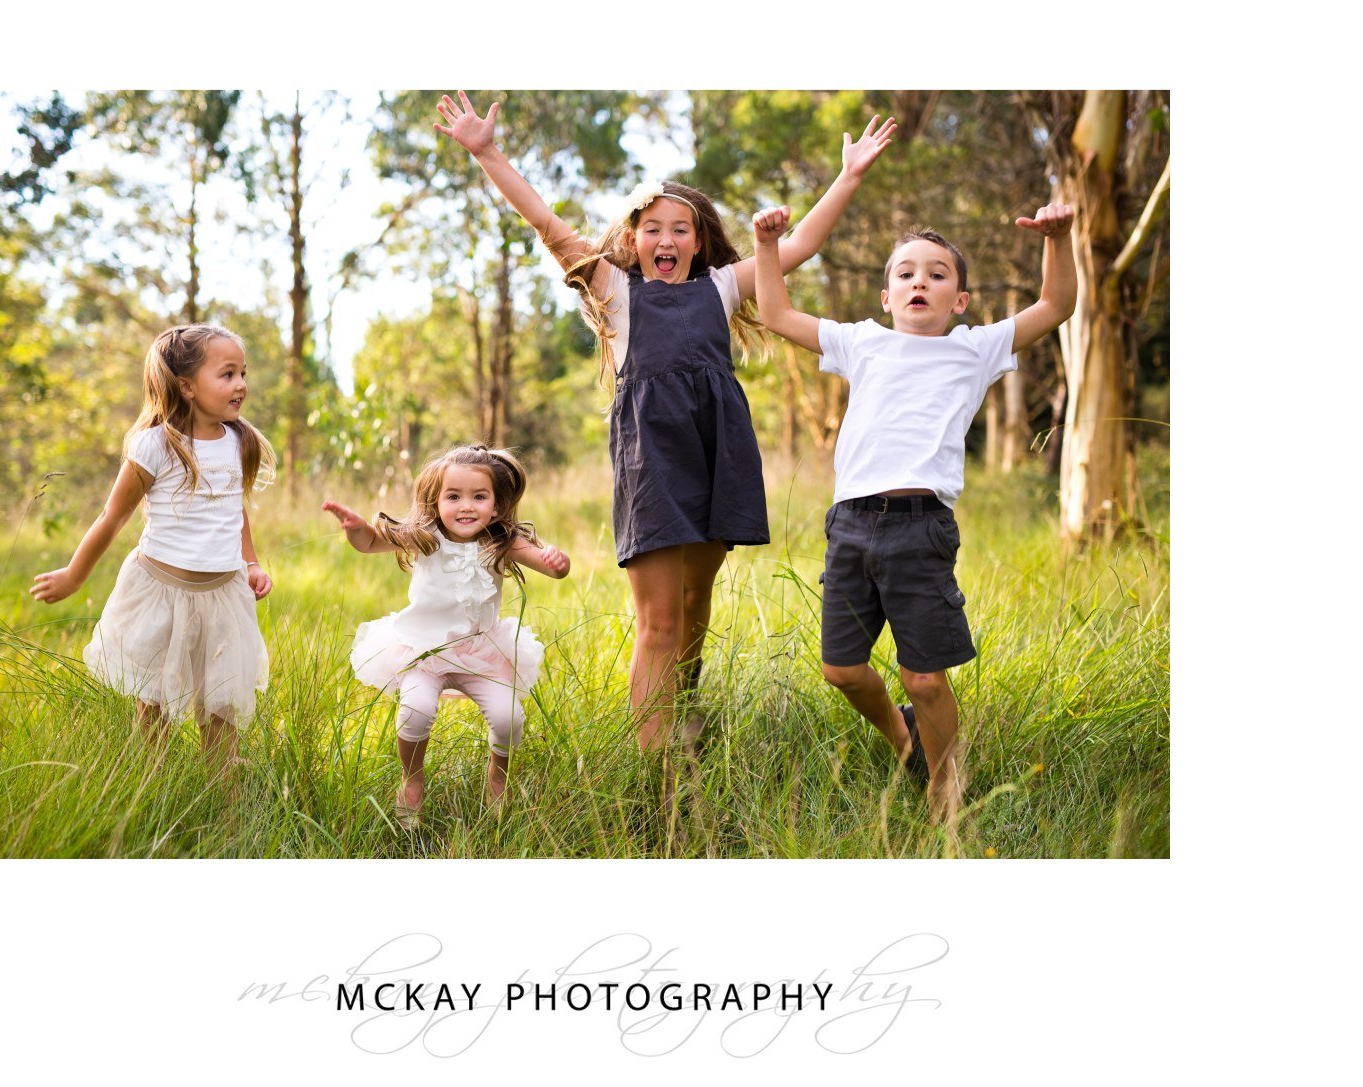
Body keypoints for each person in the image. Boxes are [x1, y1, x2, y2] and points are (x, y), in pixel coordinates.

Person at [435, 90, 896, 752]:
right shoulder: (614, 290)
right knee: (656, 622)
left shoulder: (721, 286)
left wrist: (847, 175)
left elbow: (798, 247)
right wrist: (486, 151)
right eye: (652, 227)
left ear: (698, 240)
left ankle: (682, 721)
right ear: (631, 238)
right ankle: (655, 773)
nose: (666, 238)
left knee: (692, 610)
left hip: (719, 452)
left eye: (680, 228)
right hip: (652, 459)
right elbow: (543, 220)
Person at [752, 201, 1077, 822]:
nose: (919, 281)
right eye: (905, 273)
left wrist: (1057, 241)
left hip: (920, 528)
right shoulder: (860, 343)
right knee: (841, 671)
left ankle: (944, 784)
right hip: (849, 525)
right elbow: (775, 312)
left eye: (936, 273)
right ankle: (906, 742)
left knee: (925, 678)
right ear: (886, 295)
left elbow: (1055, 306)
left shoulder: (974, 349)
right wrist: (768, 246)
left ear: (960, 299)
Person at [30, 324, 276, 775]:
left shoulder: (239, 440)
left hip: (224, 595)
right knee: (155, 700)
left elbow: (234, 509)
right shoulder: (156, 444)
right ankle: (155, 781)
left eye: (243, 373)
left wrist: (252, 562)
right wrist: (73, 575)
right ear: (186, 386)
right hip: (160, 592)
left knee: (220, 703)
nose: (241, 384)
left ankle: (222, 791)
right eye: (227, 374)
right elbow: (112, 517)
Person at [323, 445, 570, 825]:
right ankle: (411, 778)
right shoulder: (424, 536)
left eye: (479, 497)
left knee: (509, 718)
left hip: (482, 652)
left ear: (497, 506)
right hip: (423, 652)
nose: (466, 506)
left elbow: (550, 568)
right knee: (415, 711)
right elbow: (371, 543)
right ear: (435, 502)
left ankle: (498, 775)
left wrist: (557, 562)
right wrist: (357, 529)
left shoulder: (501, 539)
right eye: (453, 497)